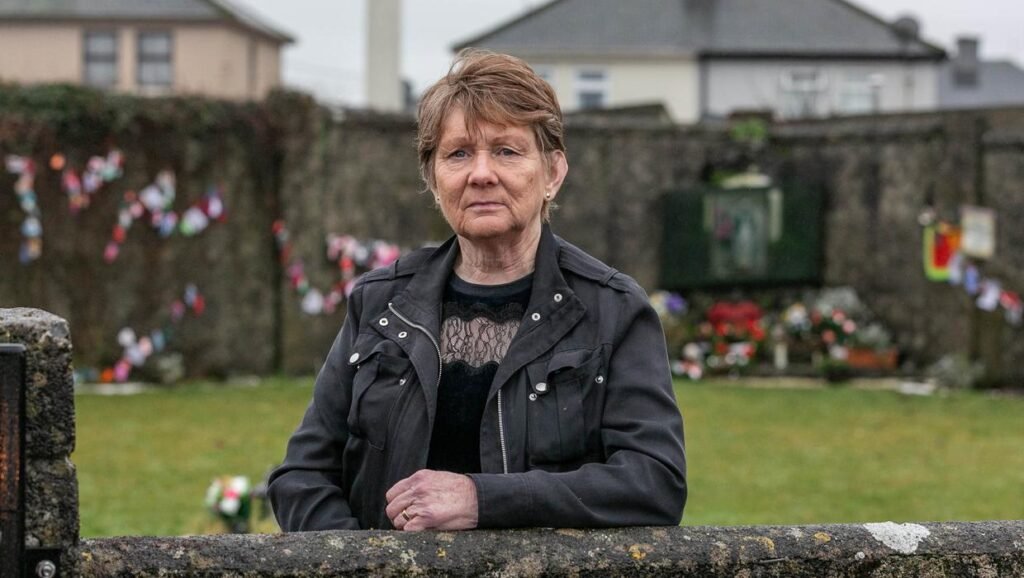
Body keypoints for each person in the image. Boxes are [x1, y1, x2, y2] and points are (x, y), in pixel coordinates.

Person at [268, 49, 686, 531]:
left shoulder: (613, 310)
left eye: (506, 151)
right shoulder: (380, 303)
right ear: (433, 177)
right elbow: (301, 476)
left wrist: (484, 499)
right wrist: (368, 565)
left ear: (553, 173)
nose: (481, 173)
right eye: (459, 153)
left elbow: (654, 483)